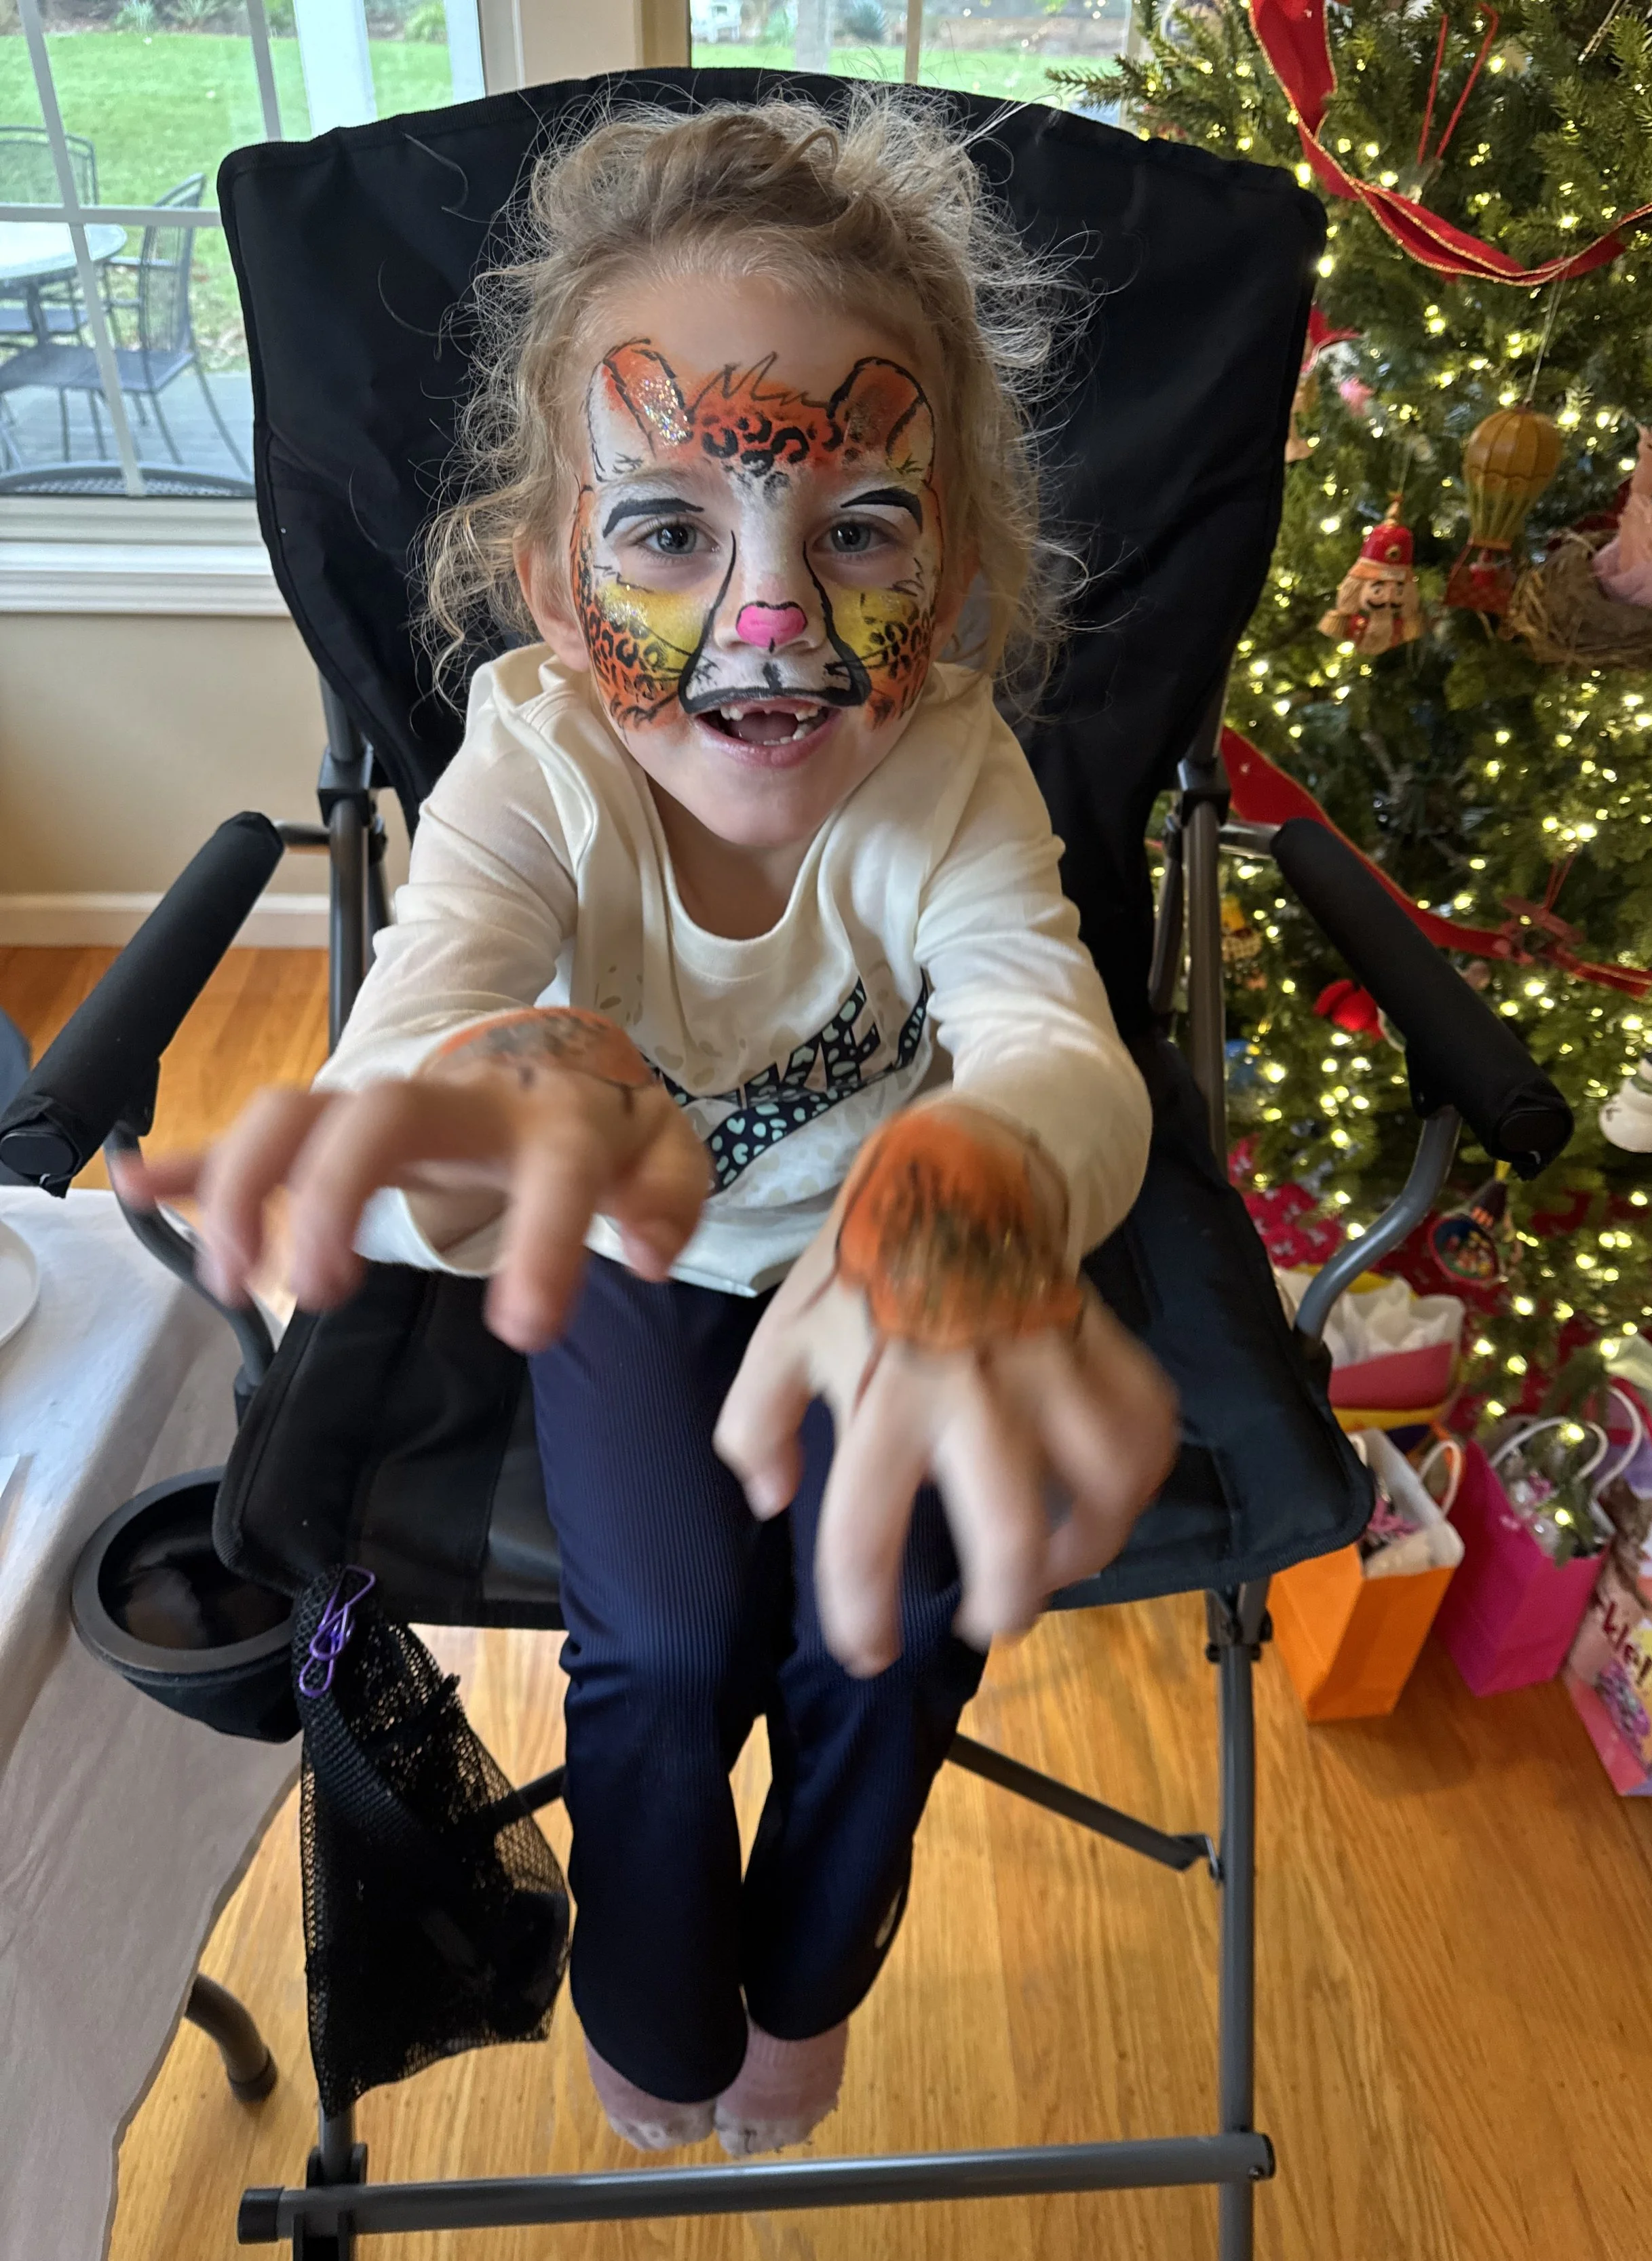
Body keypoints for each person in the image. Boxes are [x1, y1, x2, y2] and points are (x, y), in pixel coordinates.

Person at [115, 91, 1177, 2159]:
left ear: (951, 562)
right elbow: (425, 1019)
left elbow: (1055, 1042)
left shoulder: (949, 771)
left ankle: (804, 1978)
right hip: (639, 1250)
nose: (767, 611)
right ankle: (649, 1990)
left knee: (909, 1621)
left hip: (896, 1259)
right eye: (670, 524)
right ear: (544, 571)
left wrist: (972, 1167)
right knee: (672, 1635)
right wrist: (473, 1100)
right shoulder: (533, 767)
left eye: (859, 522)